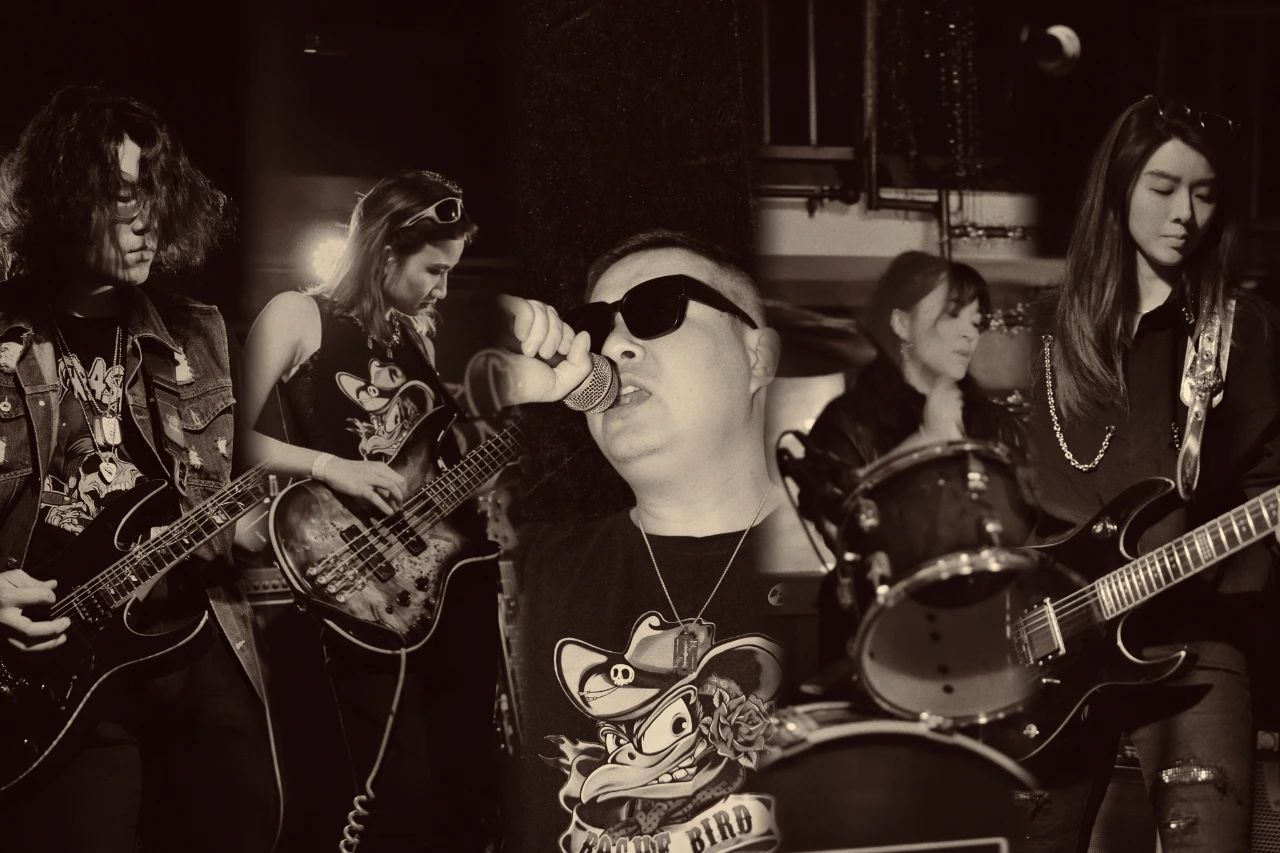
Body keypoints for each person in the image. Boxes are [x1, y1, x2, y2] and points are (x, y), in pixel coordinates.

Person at [0, 85, 278, 852]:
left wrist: (263, 530)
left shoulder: (199, 333)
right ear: (60, 199)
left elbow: (232, 507)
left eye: (155, 192)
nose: (146, 216)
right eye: (122, 194)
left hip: (194, 647)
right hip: (55, 674)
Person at [1018, 95, 1280, 852]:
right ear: (1118, 188)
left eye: (1205, 193)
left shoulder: (1243, 330)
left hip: (1194, 636)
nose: (1185, 214)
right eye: (1163, 188)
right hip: (1048, 633)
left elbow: (1265, 484)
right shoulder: (1040, 328)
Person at [500, 229, 802, 853]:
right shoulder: (523, 568)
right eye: (593, 326)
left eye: (656, 308)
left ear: (758, 359)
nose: (611, 346)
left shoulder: (852, 574)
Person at [239, 169, 498, 850]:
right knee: (377, 796)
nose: (443, 289)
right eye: (435, 270)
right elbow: (226, 441)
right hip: (340, 582)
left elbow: (422, 471)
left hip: (424, 589)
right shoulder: (296, 314)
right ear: (385, 253)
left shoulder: (418, 340)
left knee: (444, 796)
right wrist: (332, 467)